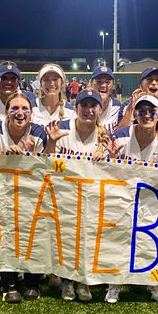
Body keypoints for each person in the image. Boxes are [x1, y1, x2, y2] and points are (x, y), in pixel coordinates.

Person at [103, 95, 158, 304]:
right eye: (141, 111)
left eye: (151, 111)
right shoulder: (122, 136)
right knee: (120, 241)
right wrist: (111, 158)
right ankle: (114, 283)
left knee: (151, 243)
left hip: (152, 203)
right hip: (122, 200)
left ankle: (154, 282)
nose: (147, 115)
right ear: (135, 114)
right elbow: (106, 168)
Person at [0, 92, 49, 304]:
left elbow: (44, 168)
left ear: (31, 113)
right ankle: (8, 283)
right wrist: (4, 157)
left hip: (30, 191)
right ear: (6, 112)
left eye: (25, 109)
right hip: (0, 189)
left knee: (33, 234)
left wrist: (28, 158)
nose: (20, 113)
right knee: (6, 233)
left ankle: (32, 281)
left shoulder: (38, 133)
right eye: (15, 108)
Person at [47, 90, 108, 301]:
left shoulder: (104, 136)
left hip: (92, 198)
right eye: (84, 105)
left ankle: (84, 281)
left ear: (100, 110)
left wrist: (110, 158)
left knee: (88, 239)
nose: (89, 110)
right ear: (76, 107)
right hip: (64, 196)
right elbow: (45, 163)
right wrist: (52, 143)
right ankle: (67, 281)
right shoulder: (62, 129)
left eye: (94, 106)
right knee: (66, 239)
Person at [88, 66, 122, 134]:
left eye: (107, 82)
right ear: (91, 83)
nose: (103, 85)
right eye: (99, 82)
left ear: (113, 85)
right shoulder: (81, 106)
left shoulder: (117, 107)